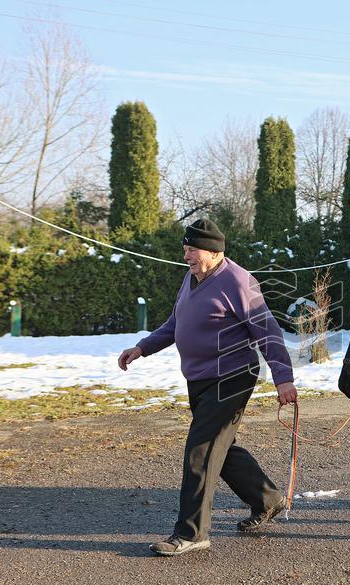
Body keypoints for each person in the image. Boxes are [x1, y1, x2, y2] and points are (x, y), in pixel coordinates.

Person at [118, 219, 298, 556]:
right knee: (221, 448)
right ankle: (268, 499)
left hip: (231, 376)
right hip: (199, 378)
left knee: (200, 451)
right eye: (185, 249)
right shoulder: (191, 278)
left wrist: (283, 377)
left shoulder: (238, 281)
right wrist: (143, 347)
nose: (186, 256)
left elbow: (268, 331)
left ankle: (192, 533)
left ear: (215, 252)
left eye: (192, 250)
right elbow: (175, 324)